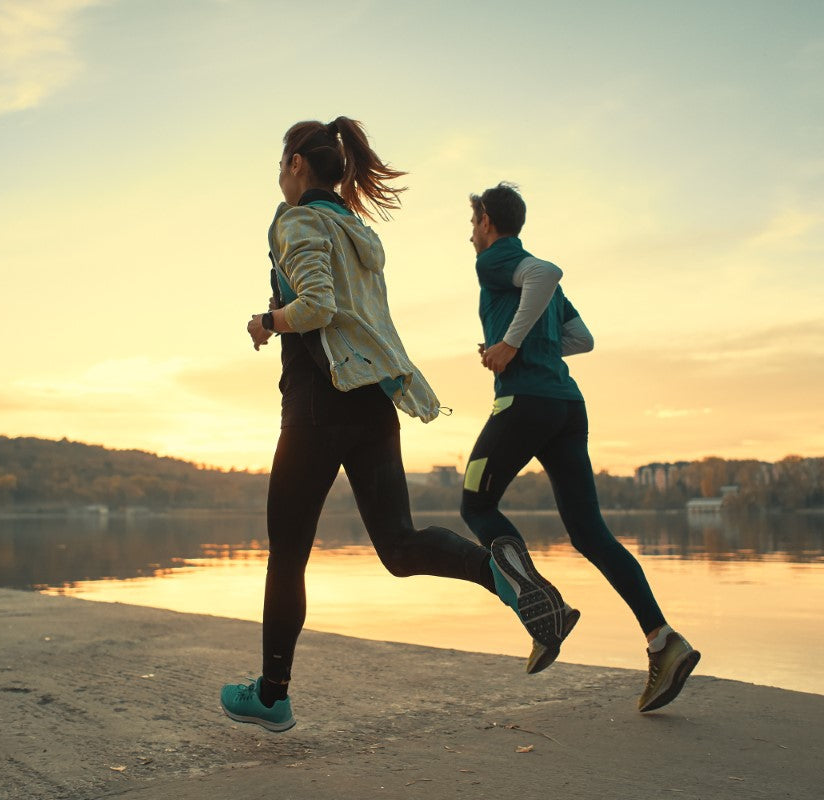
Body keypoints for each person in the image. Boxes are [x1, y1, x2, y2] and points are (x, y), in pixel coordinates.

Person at [220, 120, 575, 733]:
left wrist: (267, 320)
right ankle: (503, 576)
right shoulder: (358, 231)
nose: (279, 178)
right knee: (400, 544)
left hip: (317, 404)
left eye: (282, 165)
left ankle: (273, 695)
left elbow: (318, 308)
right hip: (374, 404)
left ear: (298, 164)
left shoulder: (297, 220)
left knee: (288, 555)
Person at [460, 182, 701, 713]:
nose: (470, 233)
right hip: (567, 407)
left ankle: (543, 607)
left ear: (489, 223)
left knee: (475, 504)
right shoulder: (522, 280)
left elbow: (546, 273)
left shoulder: (499, 261)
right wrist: (531, 340)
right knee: (590, 533)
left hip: (524, 403)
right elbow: (581, 339)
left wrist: (509, 345)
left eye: (473, 222)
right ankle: (664, 641)